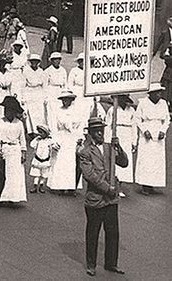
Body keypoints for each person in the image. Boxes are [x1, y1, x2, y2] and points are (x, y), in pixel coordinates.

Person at [78, 117, 128, 277]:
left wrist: (118, 147)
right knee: (93, 232)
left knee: (113, 232)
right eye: (97, 131)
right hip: (96, 199)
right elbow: (90, 175)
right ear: (91, 133)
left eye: (102, 130)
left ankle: (111, 263)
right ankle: (91, 264)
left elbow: (124, 163)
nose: (101, 133)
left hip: (111, 200)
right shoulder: (85, 152)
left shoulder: (109, 147)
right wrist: (108, 188)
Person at [0, 96, 27, 204]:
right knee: (1, 173)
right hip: (2, 149)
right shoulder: (0, 122)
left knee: (13, 176)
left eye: (8, 110)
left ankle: (12, 198)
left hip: (15, 150)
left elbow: (22, 139)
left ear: (13, 111)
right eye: (5, 109)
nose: (6, 112)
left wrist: (23, 152)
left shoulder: (19, 123)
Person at [134, 83, 170, 195]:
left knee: (156, 160)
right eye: (157, 92)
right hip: (147, 134)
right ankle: (145, 185)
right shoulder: (143, 103)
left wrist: (163, 130)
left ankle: (153, 183)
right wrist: (144, 130)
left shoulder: (163, 103)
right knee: (146, 160)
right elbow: (137, 119)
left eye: (160, 92)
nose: (159, 94)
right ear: (151, 94)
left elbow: (167, 119)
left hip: (158, 132)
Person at [47, 89, 84, 195]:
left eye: (67, 99)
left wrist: (80, 138)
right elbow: (54, 127)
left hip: (72, 138)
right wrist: (54, 140)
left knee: (72, 163)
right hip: (61, 137)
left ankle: (71, 187)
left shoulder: (77, 111)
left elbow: (80, 125)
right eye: (63, 99)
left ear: (71, 100)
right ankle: (60, 186)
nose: (65, 102)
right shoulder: (57, 111)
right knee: (61, 162)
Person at [105, 94, 137, 197]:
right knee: (115, 161)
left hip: (127, 134)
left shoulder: (131, 110)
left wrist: (134, 141)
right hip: (116, 134)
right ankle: (114, 186)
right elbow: (108, 126)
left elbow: (134, 126)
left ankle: (121, 187)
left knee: (124, 160)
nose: (123, 101)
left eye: (124, 99)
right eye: (121, 98)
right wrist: (108, 140)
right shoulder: (112, 110)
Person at [22, 54, 48, 136]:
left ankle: (39, 130)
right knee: (30, 113)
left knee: (40, 113)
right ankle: (31, 131)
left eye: (36, 61)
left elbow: (45, 85)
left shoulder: (41, 71)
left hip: (39, 93)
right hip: (29, 92)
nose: (34, 63)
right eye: (33, 61)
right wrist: (22, 97)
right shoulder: (26, 71)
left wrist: (45, 96)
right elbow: (22, 85)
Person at [29, 125, 55, 194]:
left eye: (42, 133)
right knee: (36, 174)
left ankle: (41, 186)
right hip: (37, 159)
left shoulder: (49, 141)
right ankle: (35, 186)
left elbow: (54, 146)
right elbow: (32, 145)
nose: (40, 134)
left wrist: (53, 146)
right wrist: (36, 139)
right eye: (39, 132)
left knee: (44, 174)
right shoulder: (38, 140)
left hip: (45, 160)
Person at [159, 43, 172, 114]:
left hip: (168, 77)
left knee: (167, 94)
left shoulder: (169, 59)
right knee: (167, 93)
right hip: (167, 77)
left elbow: (162, 55)